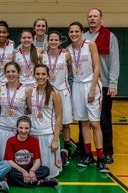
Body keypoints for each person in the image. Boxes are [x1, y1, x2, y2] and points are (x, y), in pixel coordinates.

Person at [77, 8, 120, 164]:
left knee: (103, 119)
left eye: (95, 16)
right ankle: (83, 149)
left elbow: (114, 61)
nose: (92, 19)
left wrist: (113, 84)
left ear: (101, 19)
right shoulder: (83, 37)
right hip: (86, 83)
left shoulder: (109, 36)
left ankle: (107, 151)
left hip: (104, 84)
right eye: (90, 16)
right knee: (84, 118)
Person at [68, 22, 109, 173]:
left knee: (95, 123)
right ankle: (88, 155)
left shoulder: (90, 44)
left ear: (81, 32)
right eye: (71, 31)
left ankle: (101, 157)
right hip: (77, 86)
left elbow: (97, 67)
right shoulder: (68, 50)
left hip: (91, 85)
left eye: (76, 31)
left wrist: (92, 89)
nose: (74, 34)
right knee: (83, 123)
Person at [41, 31, 73, 159]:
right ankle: (49, 146)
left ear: (60, 42)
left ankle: (67, 148)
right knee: (48, 120)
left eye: (56, 40)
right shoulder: (42, 56)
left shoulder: (66, 55)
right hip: (47, 91)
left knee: (65, 122)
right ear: (48, 41)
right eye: (51, 40)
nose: (53, 42)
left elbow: (72, 69)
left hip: (62, 90)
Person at [27, 64, 63, 178]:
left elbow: (59, 117)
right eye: (37, 74)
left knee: (50, 173)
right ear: (34, 75)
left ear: (48, 76)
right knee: (34, 171)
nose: (40, 76)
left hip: (48, 135)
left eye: (43, 74)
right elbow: (29, 111)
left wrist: (55, 139)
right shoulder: (30, 91)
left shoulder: (55, 93)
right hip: (33, 134)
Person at [5, 116, 58, 188]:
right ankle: (37, 182)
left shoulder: (34, 141)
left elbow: (38, 161)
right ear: (17, 127)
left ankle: (25, 182)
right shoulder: (11, 141)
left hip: (30, 169)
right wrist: (23, 171)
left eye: (26, 128)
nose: (23, 131)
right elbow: (10, 161)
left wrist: (32, 171)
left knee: (46, 170)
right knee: (10, 174)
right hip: (17, 170)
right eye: (21, 128)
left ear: (30, 128)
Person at [0, 61, 29, 160]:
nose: (10, 74)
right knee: (4, 159)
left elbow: (30, 110)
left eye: (13, 71)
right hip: (3, 129)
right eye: (8, 71)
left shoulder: (26, 90)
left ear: (18, 72)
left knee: (19, 160)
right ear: (5, 73)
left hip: (18, 131)